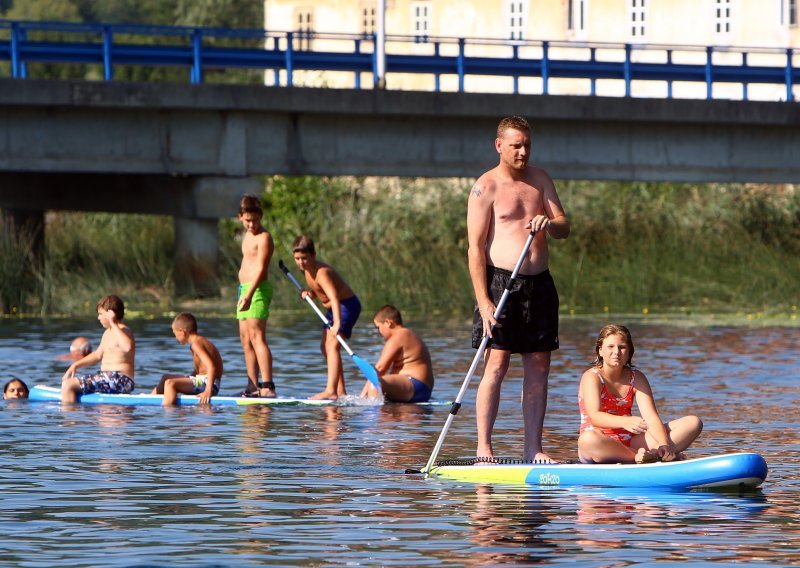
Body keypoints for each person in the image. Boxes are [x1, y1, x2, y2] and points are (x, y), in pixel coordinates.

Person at [467, 115, 570, 463]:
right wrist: (483, 301)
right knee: (495, 364)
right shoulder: (485, 187)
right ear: (499, 146)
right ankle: (484, 447)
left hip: (540, 284)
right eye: (516, 145)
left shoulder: (541, 179)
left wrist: (549, 222)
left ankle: (533, 447)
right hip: (500, 285)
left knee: (539, 366)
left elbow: (564, 226)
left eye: (527, 144)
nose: (523, 151)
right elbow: (474, 249)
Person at [578, 324, 703, 464]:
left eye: (622, 347)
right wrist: (625, 421)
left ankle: (658, 454)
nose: (616, 352)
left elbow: (651, 417)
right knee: (588, 439)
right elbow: (595, 417)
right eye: (610, 347)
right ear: (600, 351)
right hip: (600, 443)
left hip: (631, 441)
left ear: (629, 352)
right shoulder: (592, 377)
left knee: (693, 423)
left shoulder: (636, 378)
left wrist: (664, 444)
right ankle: (642, 457)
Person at [292, 235, 362, 400]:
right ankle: (340, 391)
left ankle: (330, 391)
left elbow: (334, 297)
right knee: (325, 347)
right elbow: (319, 291)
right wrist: (309, 294)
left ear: (313, 255)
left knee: (332, 347)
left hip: (346, 306)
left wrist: (337, 322)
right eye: (297, 259)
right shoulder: (305, 270)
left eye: (304, 258)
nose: (301, 262)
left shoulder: (322, 273)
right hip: (334, 309)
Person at [61, 295, 135, 404]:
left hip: (120, 379)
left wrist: (113, 323)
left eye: (101, 314)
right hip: (106, 379)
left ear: (110, 314)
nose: (99, 318)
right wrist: (75, 365)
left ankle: (71, 419)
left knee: (68, 385)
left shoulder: (124, 331)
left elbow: (127, 347)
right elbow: (97, 355)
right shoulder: (107, 333)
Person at [236, 194, 276, 398]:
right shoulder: (247, 236)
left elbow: (261, 268)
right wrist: (243, 293)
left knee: (257, 336)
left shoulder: (264, 237)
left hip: (257, 290)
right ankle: (252, 385)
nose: (252, 224)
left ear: (261, 217)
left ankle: (268, 386)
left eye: (256, 220)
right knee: (245, 340)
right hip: (244, 291)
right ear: (240, 217)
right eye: (248, 220)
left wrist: (250, 294)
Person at [359, 305, 435, 403]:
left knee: (375, 385)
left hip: (416, 386)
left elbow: (380, 369)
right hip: (422, 389)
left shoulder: (398, 337)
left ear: (388, 322)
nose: (378, 332)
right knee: (377, 385)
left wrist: (361, 398)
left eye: (378, 327)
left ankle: (373, 416)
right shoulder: (408, 334)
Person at [151, 313, 224, 406]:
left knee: (170, 383)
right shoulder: (198, 342)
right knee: (165, 377)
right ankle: (149, 398)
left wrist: (208, 391)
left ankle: (167, 413)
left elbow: (211, 367)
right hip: (203, 381)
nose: (176, 338)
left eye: (175, 334)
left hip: (209, 385)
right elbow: (198, 370)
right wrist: (185, 382)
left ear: (182, 331)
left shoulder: (196, 344)